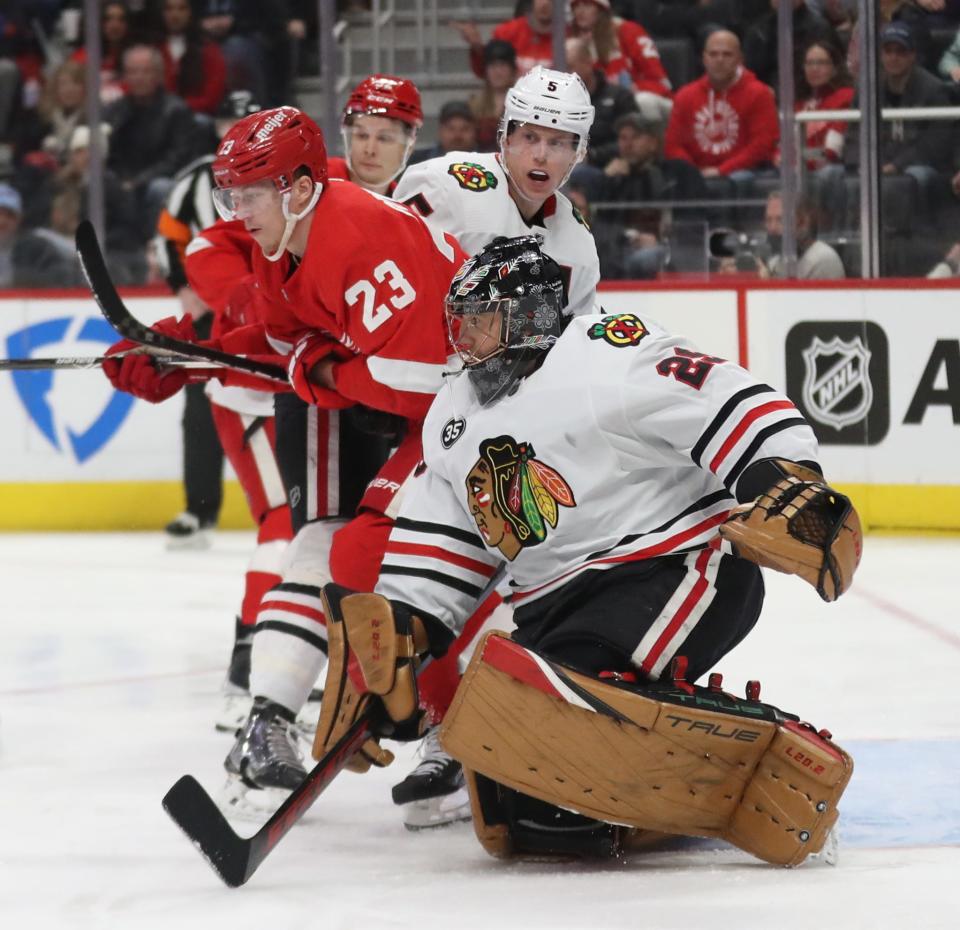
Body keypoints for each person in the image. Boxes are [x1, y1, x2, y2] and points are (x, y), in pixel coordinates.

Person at [312, 234, 862, 864]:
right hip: (551, 605)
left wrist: (779, 477)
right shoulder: (451, 416)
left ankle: (756, 752)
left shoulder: (604, 352)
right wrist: (399, 639)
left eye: (480, 322)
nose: (464, 341)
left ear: (532, 316)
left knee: (571, 694)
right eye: (457, 323)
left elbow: (722, 394)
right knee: (506, 783)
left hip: (674, 566)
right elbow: (445, 539)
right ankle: (661, 809)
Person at [103, 106, 467, 812]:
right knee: (331, 547)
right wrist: (183, 354)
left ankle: (449, 727)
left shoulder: (361, 236)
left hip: (467, 411)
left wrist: (319, 371)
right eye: (232, 196)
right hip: (410, 405)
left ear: (298, 189)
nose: (238, 213)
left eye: (250, 196)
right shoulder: (285, 239)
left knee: (402, 557)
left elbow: (420, 380)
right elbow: (278, 336)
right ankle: (285, 720)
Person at [390, 66, 601, 825]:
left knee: (514, 571)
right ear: (504, 136)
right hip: (397, 401)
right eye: (530, 136)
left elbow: (565, 361)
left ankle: (453, 731)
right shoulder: (447, 184)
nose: (541, 155)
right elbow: (381, 270)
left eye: (559, 142)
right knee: (390, 563)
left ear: (578, 152)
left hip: (490, 427)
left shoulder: (577, 247)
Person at [154, 90, 264, 551]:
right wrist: (182, 286)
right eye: (227, 121)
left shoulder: (283, 176)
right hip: (213, 312)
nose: (233, 130)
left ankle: (291, 509)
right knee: (201, 409)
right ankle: (199, 509)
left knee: (283, 403)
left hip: (268, 309)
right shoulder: (196, 179)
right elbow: (168, 236)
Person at [664, 30, 778, 191]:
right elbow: (673, 145)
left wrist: (721, 170)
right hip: (697, 174)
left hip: (743, 173)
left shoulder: (759, 93)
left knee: (737, 181)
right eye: (713, 54)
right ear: (704, 59)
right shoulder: (685, 95)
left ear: (740, 59)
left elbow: (762, 145)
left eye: (727, 55)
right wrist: (693, 174)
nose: (719, 60)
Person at [569, 0, 673, 125]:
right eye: (576, 6)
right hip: (602, 105)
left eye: (587, 5)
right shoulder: (571, 43)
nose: (580, 11)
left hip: (648, 102)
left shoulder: (628, 31)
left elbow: (661, 84)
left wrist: (630, 91)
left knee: (643, 101)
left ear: (601, 9)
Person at [335, 73, 423, 194]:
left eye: (384, 138)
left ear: (409, 147)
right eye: (362, 136)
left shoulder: (405, 205)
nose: (370, 150)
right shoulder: (312, 183)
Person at [564, 36, 639, 170]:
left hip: (606, 166)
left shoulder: (620, 97)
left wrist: (592, 155)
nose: (564, 74)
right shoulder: (555, 101)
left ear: (588, 63)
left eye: (569, 67)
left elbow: (632, 141)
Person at [156, 0, 227, 115]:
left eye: (182, 8)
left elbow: (212, 97)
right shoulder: (152, 48)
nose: (175, 14)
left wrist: (178, 107)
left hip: (195, 117)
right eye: (169, 9)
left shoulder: (208, 49)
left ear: (191, 12)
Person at [454, 0, 556, 79]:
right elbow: (487, 76)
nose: (545, 3)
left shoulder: (568, 36)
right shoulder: (506, 32)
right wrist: (478, 48)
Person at [762, 191, 845, 279]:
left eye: (781, 220)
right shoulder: (774, 263)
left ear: (804, 222)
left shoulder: (824, 260)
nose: (772, 227)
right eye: (768, 220)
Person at [468, 40, 520, 153]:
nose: (497, 72)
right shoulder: (474, 105)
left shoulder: (522, 105)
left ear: (513, 70)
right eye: (492, 66)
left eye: (502, 66)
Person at [409, 101, 477, 165]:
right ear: (440, 131)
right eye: (451, 129)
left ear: (474, 131)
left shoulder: (486, 162)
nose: (457, 135)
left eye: (464, 129)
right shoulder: (417, 162)